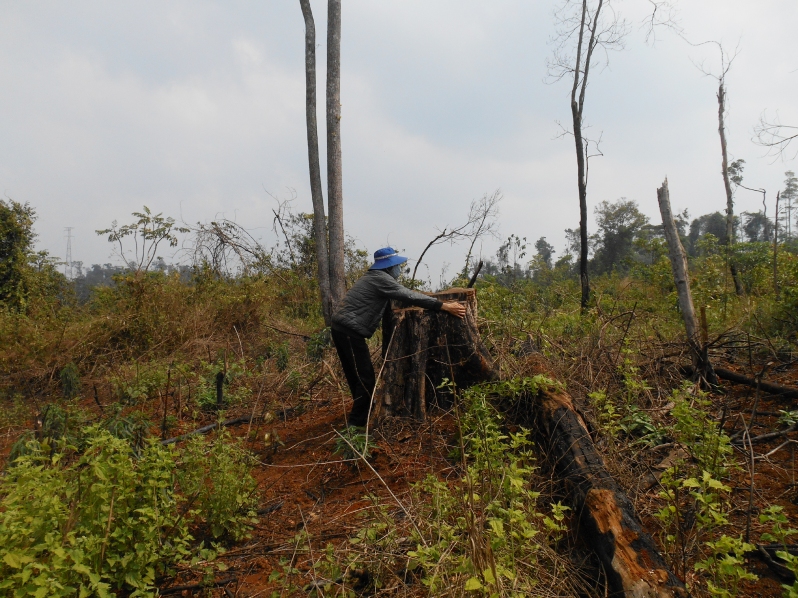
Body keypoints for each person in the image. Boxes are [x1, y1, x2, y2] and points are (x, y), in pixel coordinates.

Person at [330, 247, 466, 427]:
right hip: (349, 332)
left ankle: (362, 414)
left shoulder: (373, 278)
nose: (399, 269)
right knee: (365, 380)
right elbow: (409, 295)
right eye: (398, 265)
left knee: (356, 378)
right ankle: (356, 426)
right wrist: (444, 306)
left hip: (340, 329)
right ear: (389, 267)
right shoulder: (381, 279)